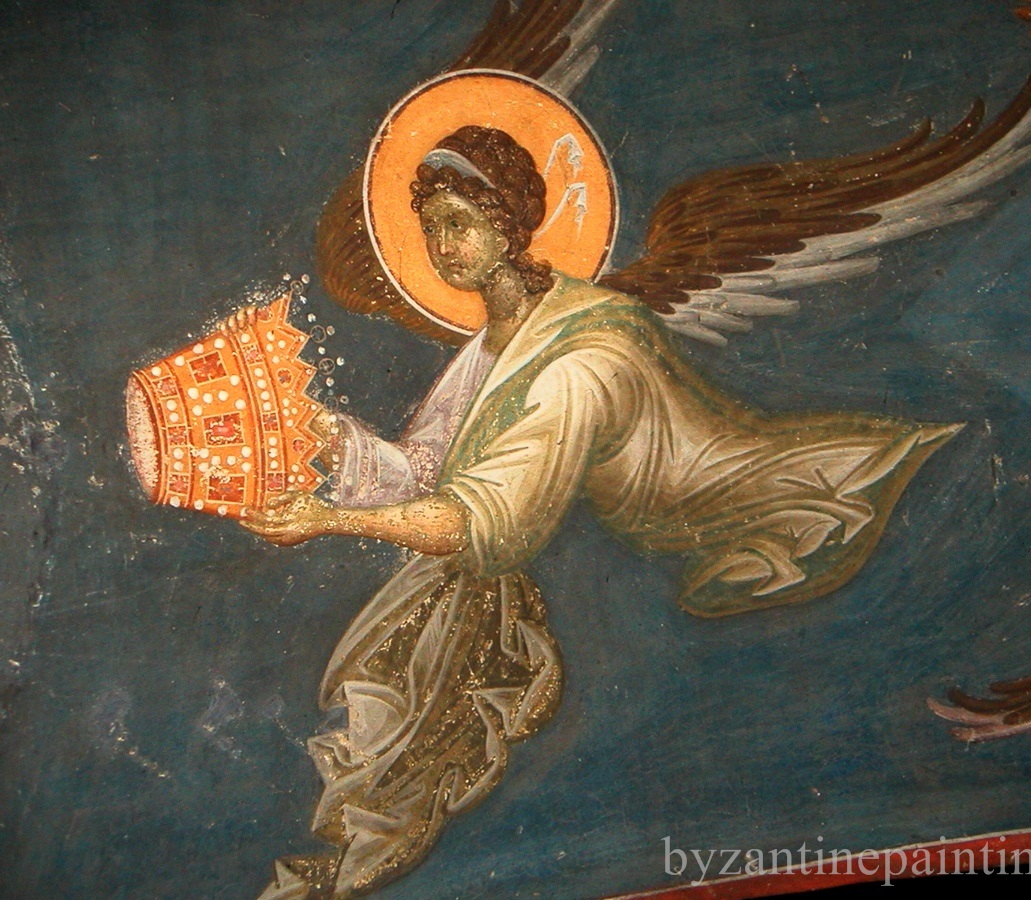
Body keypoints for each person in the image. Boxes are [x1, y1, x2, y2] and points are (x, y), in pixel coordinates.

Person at [248, 125, 961, 899]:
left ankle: (366, 839)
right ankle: (364, 838)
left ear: (507, 225)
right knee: (428, 630)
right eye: (431, 227)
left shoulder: (578, 361)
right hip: (601, 538)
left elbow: (480, 523)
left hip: (746, 509)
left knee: (440, 623)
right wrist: (326, 433)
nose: (442, 246)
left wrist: (326, 519)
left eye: (460, 223)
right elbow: (427, 471)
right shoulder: (497, 342)